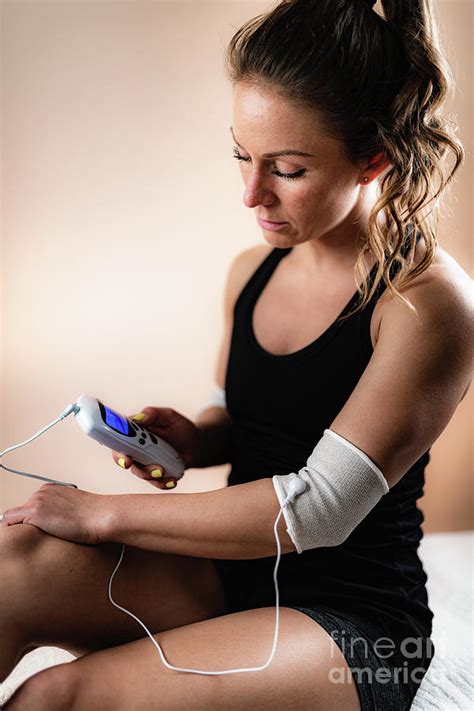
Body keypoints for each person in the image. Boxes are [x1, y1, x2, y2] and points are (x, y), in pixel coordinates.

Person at [0, 0, 472, 709]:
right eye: (242, 156)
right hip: (230, 571)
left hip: (350, 622)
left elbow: (318, 508)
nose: (251, 193)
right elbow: (243, 412)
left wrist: (101, 513)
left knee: (55, 695)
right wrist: (195, 436)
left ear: (373, 157)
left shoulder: (431, 305)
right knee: (11, 569)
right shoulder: (253, 270)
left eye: (286, 168)